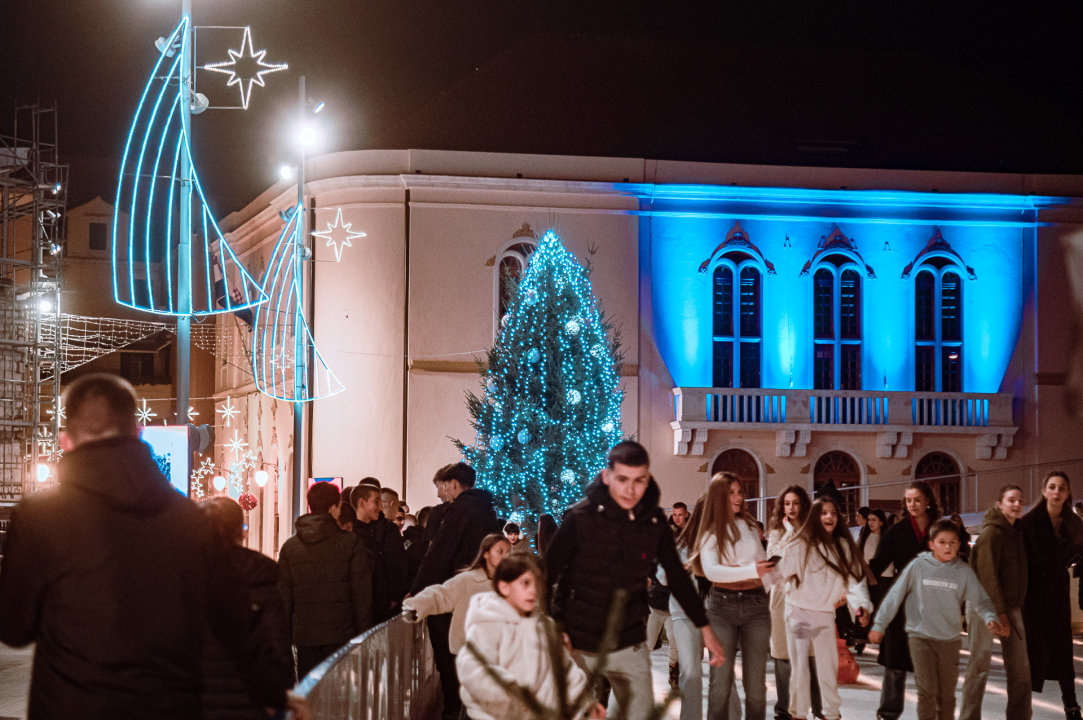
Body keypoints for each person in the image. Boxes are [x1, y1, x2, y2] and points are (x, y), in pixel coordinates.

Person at [0, 373, 290, 719]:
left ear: (66, 442)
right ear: (138, 434)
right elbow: (238, 624)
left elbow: (15, 630)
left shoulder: (39, 517)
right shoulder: (191, 521)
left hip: (70, 707)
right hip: (166, 708)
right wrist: (275, 694)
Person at [546, 441, 725, 720]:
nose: (631, 490)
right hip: (579, 639)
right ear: (607, 477)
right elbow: (546, 574)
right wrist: (554, 627)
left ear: (648, 478)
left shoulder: (653, 522)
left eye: (639, 480)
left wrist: (705, 627)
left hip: (629, 638)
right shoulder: (579, 518)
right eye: (622, 480)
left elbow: (677, 577)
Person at [870, 519, 1000, 720]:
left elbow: (980, 599)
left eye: (953, 542)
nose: (948, 547)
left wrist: (990, 616)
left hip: (949, 640)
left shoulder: (964, 571)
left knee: (946, 696)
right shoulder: (918, 566)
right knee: (927, 694)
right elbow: (895, 595)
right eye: (942, 542)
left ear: (959, 544)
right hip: (920, 637)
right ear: (931, 544)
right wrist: (879, 624)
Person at [457, 554, 605, 720]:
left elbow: (565, 670)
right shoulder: (487, 625)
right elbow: (474, 670)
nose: (534, 590)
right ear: (504, 587)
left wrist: (587, 704)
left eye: (538, 582)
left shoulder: (543, 626)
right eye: (526, 583)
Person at [412, 462, 503, 720]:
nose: (443, 493)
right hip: (485, 593)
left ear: (453, 484)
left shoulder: (459, 510)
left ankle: (456, 710)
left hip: (459, 594)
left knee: (451, 656)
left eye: (443, 486)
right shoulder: (487, 511)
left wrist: (418, 591)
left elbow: (439, 553)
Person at [776, 497, 873, 720]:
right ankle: (798, 714)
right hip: (797, 612)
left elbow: (855, 579)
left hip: (824, 615)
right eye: (824, 512)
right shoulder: (800, 543)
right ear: (815, 518)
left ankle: (832, 714)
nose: (829, 517)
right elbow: (779, 571)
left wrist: (861, 606)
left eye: (833, 513)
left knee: (828, 670)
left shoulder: (843, 546)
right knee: (800, 669)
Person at [690, 472, 777, 720]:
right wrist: (751, 570)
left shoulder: (749, 525)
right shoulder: (710, 529)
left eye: (740, 492)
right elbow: (712, 571)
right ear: (719, 495)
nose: (738, 497)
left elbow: (763, 567)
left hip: (757, 606)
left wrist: (781, 575)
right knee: (720, 683)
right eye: (731, 492)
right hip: (722, 606)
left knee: (757, 687)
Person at [199, 498, 295, 720]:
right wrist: (280, 696)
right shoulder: (261, 574)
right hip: (253, 702)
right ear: (240, 530)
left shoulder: (188, 575)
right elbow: (277, 642)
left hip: (199, 702)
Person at [279, 481, 373, 679]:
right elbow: (362, 595)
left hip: (305, 637)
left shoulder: (290, 547)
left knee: (310, 691)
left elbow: (284, 598)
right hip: (341, 634)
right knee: (339, 690)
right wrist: (364, 635)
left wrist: (284, 639)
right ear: (333, 509)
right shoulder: (351, 543)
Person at [868, 481, 939, 720]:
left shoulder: (940, 530)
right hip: (902, 601)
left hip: (933, 601)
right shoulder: (897, 532)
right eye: (909, 501)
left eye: (917, 500)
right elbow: (878, 564)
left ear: (928, 501)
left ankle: (931, 713)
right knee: (896, 661)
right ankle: (888, 713)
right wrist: (858, 582)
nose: (913, 505)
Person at [960, 484, 1031, 720]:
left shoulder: (1017, 533)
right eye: (1011, 500)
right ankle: (969, 717)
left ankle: (1019, 716)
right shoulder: (992, 533)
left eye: (1020, 500)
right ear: (999, 504)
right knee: (979, 666)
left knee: (1021, 669)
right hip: (983, 605)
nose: (1017, 504)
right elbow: (988, 576)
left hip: (1010, 605)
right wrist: (999, 613)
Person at [1020, 472, 1083, 720]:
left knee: (1062, 649)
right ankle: (1021, 707)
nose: (1056, 492)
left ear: (1068, 493)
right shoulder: (1028, 522)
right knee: (1031, 652)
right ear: (1045, 491)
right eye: (1052, 487)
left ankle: (1071, 704)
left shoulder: (1075, 524)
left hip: (1057, 593)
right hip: (1032, 595)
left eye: (1062, 488)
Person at [766, 485, 821, 720]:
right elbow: (774, 559)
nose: (791, 508)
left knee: (811, 656)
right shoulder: (777, 531)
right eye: (787, 503)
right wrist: (788, 530)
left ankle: (820, 710)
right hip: (782, 599)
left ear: (803, 505)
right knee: (783, 656)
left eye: (795, 503)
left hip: (808, 599)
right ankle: (783, 710)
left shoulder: (813, 531)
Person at [404, 534, 511, 654]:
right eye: (500, 551)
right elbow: (441, 595)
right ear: (486, 554)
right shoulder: (467, 581)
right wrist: (415, 606)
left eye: (508, 552)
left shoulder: (512, 585)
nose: (505, 557)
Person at [352, 484, 409, 622]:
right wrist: (393, 597)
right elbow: (395, 563)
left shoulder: (367, 531)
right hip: (370, 605)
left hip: (375, 602)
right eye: (376, 502)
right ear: (361, 503)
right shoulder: (354, 536)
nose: (380, 507)